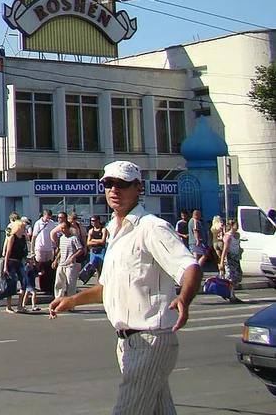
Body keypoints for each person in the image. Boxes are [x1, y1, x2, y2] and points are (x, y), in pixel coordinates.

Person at [50, 160, 202, 414]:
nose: (114, 191)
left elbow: (190, 267)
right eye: (109, 184)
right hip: (128, 344)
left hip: (151, 339)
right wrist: (72, 300)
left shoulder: (151, 228)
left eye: (122, 184)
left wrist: (184, 299)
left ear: (138, 188)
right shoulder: (115, 232)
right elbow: (108, 287)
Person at [53, 218, 83, 300]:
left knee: (70, 285)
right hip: (61, 264)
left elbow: (80, 249)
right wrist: (56, 260)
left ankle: (70, 302)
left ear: (68, 228)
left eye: (64, 228)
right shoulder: (61, 238)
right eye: (61, 228)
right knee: (59, 284)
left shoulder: (73, 238)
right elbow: (60, 250)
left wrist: (72, 257)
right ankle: (58, 300)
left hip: (70, 265)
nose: (62, 230)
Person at [2, 219, 28, 313]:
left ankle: (19, 305)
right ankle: (8, 306)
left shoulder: (23, 238)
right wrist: (5, 266)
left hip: (19, 261)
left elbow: (24, 252)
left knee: (24, 281)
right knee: (11, 283)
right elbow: (8, 252)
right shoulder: (13, 237)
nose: (25, 229)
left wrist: (28, 260)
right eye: (23, 227)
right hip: (11, 261)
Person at [30, 209, 57, 294]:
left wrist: (55, 246)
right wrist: (32, 249)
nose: (48, 219)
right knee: (40, 267)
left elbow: (54, 234)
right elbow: (34, 236)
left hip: (49, 248)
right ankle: (41, 285)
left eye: (49, 218)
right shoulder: (38, 223)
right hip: (40, 247)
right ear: (43, 216)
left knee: (48, 267)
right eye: (47, 217)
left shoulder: (52, 223)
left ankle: (48, 285)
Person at [218, 219, 243, 302]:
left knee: (238, 276)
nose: (238, 226)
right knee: (231, 277)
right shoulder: (228, 236)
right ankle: (231, 296)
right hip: (229, 257)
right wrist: (221, 262)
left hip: (235, 257)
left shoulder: (237, 235)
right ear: (232, 226)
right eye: (236, 225)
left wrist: (240, 251)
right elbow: (225, 249)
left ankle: (230, 294)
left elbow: (237, 245)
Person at [86, 215, 109, 280]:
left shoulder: (103, 229)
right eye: (91, 221)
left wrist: (93, 240)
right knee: (94, 267)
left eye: (94, 221)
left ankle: (102, 280)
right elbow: (88, 243)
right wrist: (97, 241)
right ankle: (98, 281)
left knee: (101, 267)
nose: (92, 222)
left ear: (98, 221)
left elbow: (103, 241)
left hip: (101, 250)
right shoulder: (91, 231)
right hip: (93, 250)